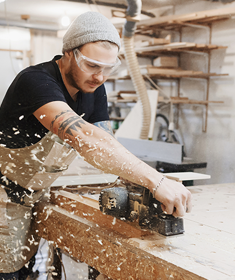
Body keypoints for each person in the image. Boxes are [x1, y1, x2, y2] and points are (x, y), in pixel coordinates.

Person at [0, 11, 192, 279]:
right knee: (7, 271)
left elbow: (105, 142)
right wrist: (156, 181)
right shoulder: (36, 82)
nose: (100, 77)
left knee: (28, 266)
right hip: (4, 194)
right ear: (69, 53)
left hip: (37, 193)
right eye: (92, 66)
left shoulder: (93, 88)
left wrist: (136, 183)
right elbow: (83, 138)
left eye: (107, 69)